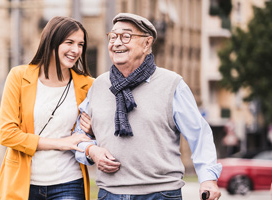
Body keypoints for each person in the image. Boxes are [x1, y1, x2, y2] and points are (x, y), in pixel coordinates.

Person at [74, 13, 222, 200]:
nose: (117, 43)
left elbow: (199, 135)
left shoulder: (172, 84)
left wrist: (208, 179)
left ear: (146, 44)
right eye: (113, 36)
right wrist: (91, 151)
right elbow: (78, 137)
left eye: (126, 36)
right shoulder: (98, 86)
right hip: (109, 194)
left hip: (160, 193)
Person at [0, 16, 94, 200]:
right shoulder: (19, 76)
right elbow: (7, 134)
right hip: (23, 183)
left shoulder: (88, 85)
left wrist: (92, 130)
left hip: (69, 182)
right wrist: (61, 143)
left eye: (80, 44)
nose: (76, 50)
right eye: (69, 42)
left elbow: (101, 131)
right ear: (51, 42)